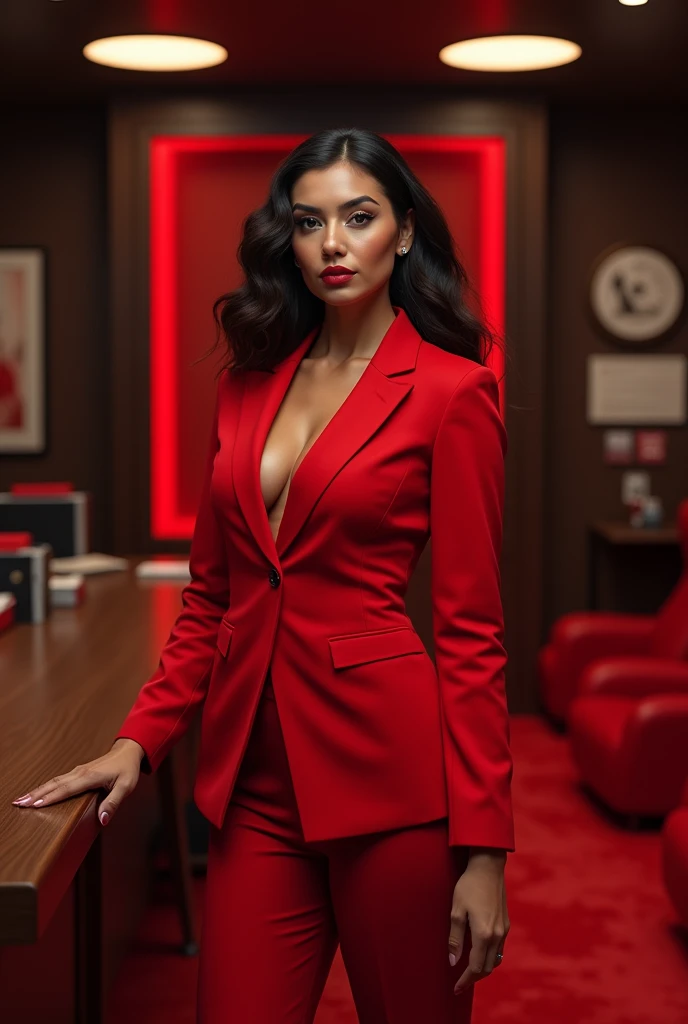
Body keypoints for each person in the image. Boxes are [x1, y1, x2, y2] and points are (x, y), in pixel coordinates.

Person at [12, 127, 515, 1023]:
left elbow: (472, 632)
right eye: (308, 220)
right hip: (252, 785)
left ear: (402, 232)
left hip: (392, 783)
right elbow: (215, 596)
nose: (331, 243)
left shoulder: (452, 391)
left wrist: (484, 851)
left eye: (359, 218)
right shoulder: (248, 385)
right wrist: (140, 741)